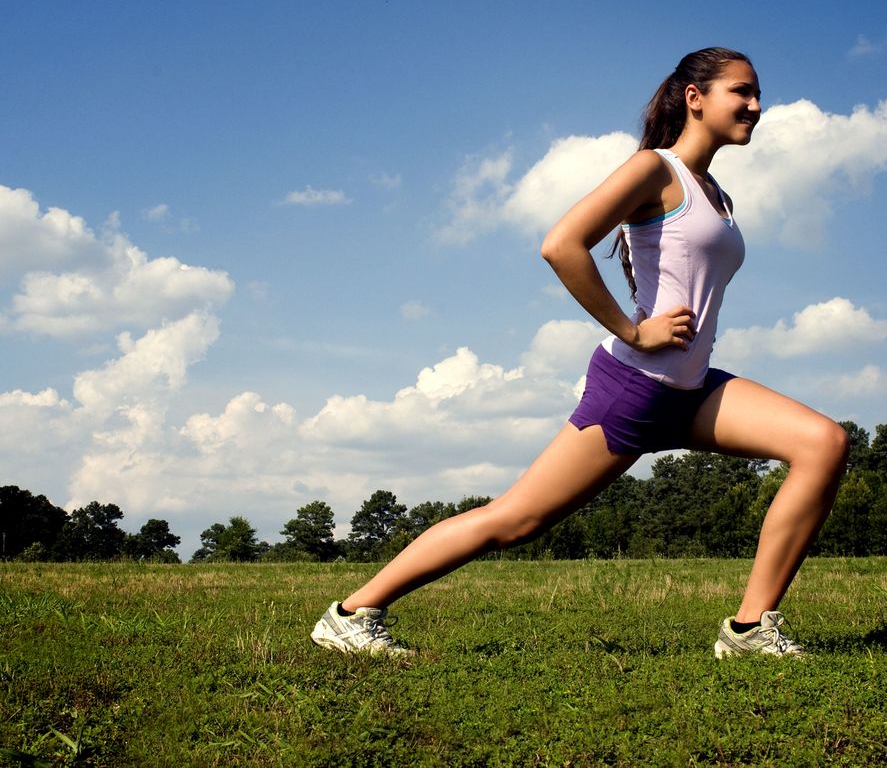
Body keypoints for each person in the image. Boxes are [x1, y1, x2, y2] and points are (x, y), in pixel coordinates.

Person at [310, 48, 848, 659]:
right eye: (741, 91)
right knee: (516, 520)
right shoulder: (654, 169)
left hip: (691, 388)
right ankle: (351, 614)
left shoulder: (717, 194)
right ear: (695, 98)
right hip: (635, 386)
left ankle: (750, 629)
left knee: (823, 443)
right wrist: (634, 331)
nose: (755, 105)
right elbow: (562, 244)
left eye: (757, 94)